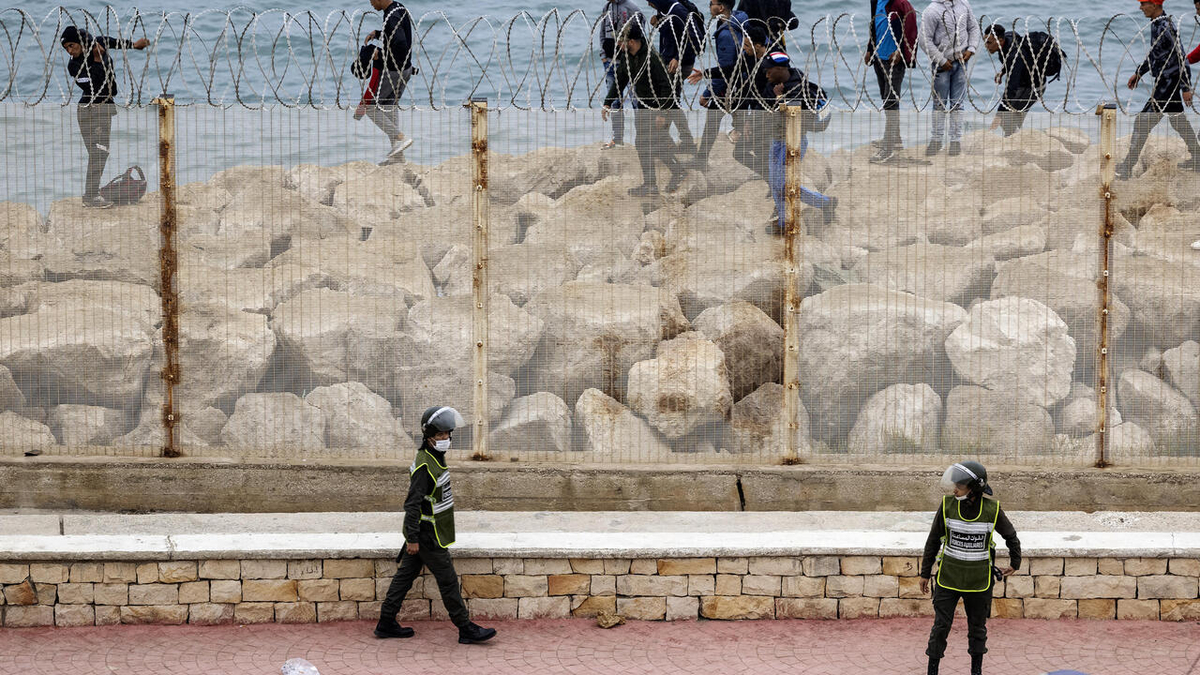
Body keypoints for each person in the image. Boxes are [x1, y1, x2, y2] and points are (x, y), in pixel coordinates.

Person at [376, 406, 497, 644]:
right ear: (429, 435)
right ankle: (465, 628)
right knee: (448, 581)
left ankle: (386, 622)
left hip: (427, 534)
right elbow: (412, 504)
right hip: (428, 536)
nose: (446, 439)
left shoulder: (433, 458)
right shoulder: (424, 465)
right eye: (441, 435)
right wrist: (412, 538)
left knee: (404, 578)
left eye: (448, 434)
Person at [920, 461, 1022, 675]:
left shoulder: (992, 509)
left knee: (977, 630)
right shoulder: (947, 505)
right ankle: (932, 671)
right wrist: (924, 572)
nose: (954, 489)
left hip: (979, 582)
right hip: (948, 579)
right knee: (940, 628)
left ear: (974, 488)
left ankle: (976, 671)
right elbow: (933, 540)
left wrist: (1015, 563)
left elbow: (1011, 536)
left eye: (960, 486)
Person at [60, 26, 150, 209]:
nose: (70, 51)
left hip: (105, 108)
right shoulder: (74, 66)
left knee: (101, 153)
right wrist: (98, 59)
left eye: (71, 45)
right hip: (89, 110)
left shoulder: (96, 44)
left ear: (80, 42)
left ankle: (91, 194)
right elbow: (96, 84)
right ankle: (91, 196)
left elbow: (112, 42)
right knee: (98, 153)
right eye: (66, 48)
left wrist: (134, 45)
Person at [603, 21, 688, 196]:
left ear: (631, 42)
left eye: (621, 42)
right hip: (643, 106)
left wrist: (663, 113)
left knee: (654, 144)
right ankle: (651, 184)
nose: (618, 45)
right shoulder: (628, 57)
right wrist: (607, 102)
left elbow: (666, 87)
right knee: (643, 144)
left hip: (658, 108)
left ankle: (677, 171)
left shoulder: (652, 58)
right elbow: (620, 80)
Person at [1116, 0, 1200, 179]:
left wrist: (1186, 87)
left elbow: (1181, 57)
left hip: (1169, 83)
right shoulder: (1156, 24)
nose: (1140, 8)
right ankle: (1198, 158)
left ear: (1154, 5)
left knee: (1142, 122)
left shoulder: (1164, 27)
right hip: (1166, 80)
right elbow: (1155, 54)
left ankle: (1126, 167)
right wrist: (1139, 73)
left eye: (1143, 4)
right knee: (1178, 121)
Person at [760, 51, 838, 233]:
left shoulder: (796, 87)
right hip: (777, 139)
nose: (766, 74)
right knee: (776, 183)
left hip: (793, 141)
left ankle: (791, 220)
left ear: (780, 69)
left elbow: (792, 116)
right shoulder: (777, 82)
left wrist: (779, 98)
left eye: (769, 71)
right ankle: (786, 219)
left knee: (783, 185)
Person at [686, 0, 748, 169]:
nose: (709, 6)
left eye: (711, 3)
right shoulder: (738, 19)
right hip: (743, 83)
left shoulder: (727, 33)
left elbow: (727, 69)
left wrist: (708, 92)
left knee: (713, 122)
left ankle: (701, 161)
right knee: (741, 121)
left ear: (721, 7)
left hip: (730, 86)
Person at [919, 0, 979, 156]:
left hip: (961, 62)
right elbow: (924, 40)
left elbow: (973, 27)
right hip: (942, 65)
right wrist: (941, 59)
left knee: (957, 104)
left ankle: (955, 142)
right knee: (939, 105)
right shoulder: (931, 11)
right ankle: (936, 140)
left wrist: (971, 49)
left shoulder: (964, 4)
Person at [985, 24, 1066, 135]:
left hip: (1032, 88)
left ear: (1000, 40)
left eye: (989, 42)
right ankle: (1016, 141)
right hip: (1027, 84)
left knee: (1005, 118)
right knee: (1013, 118)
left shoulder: (1015, 56)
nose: (986, 46)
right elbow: (1012, 59)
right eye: (985, 41)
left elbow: (1011, 88)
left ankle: (1015, 142)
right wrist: (1003, 71)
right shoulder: (1008, 38)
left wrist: (998, 115)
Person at [866, 0, 919, 163]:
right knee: (886, 100)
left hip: (894, 60)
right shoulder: (876, 1)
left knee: (891, 103)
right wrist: (869, 49)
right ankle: (895, 138)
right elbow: (875, 25)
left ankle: (888, 149)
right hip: (879, 58)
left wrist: (901, 52)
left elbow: (911, 31)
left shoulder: (901, 3)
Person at [646, 0, 703, 150]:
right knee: (671, 101)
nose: (649, 5)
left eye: (649, 1)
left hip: (680, 64)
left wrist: (678, 57)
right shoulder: (663, 10)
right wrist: (658, 24)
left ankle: (670, 141)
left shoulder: (678, 11)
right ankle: (680, 141)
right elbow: (673, 36)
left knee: (669, 101)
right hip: (669, 62)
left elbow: (695, 38)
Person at [364, 0, 416, 165]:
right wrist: (379, 34)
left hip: (394, 71)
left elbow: (400, 44)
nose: (371, 3)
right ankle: (397, 158)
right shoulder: (398, 7)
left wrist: (381, 55)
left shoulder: (391, 16)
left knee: (368, 107)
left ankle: (400, 138)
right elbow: (397, 35)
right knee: (389, 108)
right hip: (406, 69)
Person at [598, 0, 645, 149]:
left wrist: (634, 57)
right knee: (614, 102)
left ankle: (642, 138)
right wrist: (603, 55)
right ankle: (617, 138)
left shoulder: (632, 8)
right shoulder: (607, 7)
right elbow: (601, 32)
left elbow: (640, 34)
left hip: (628, 63)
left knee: (636, 101)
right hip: (610, 62)